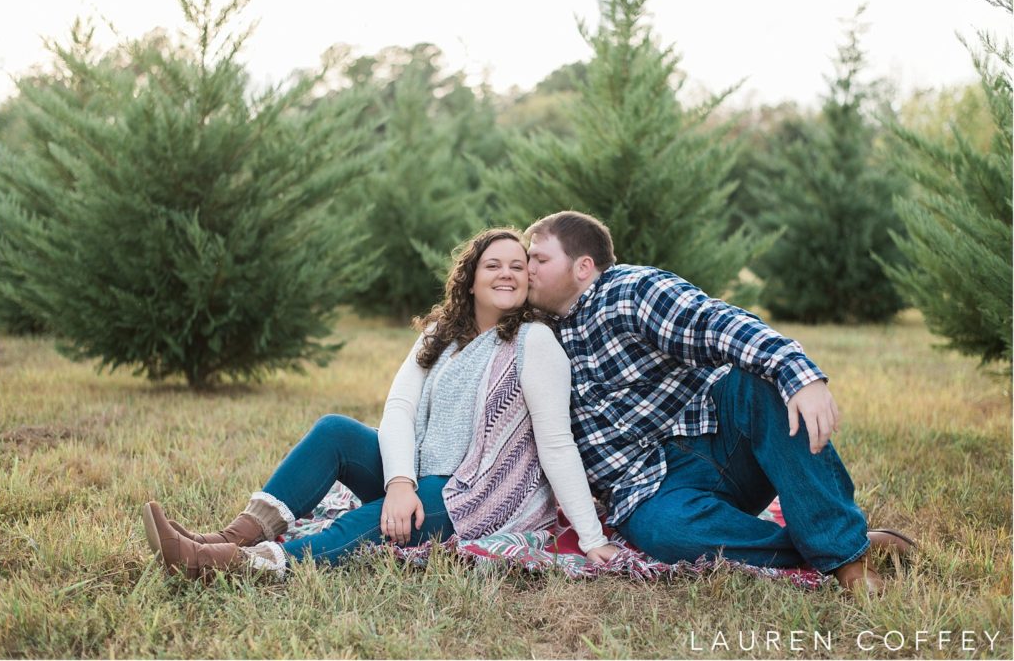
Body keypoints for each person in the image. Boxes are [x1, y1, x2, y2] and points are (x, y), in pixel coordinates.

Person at [142, 228, 619, 579]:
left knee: (361, 523)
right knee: (335, 432)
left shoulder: (534, 342)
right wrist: (398, 483)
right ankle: (229, 538)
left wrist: (592, 540)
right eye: (494, 265)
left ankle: (219, 564)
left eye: (519, 266)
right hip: (420, 476)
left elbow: (557, 444)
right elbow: (399, 412)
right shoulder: (441, 336)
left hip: (478, 496)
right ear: (471, 279)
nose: (508, 273)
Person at [522, 210, 916, 594]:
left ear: (583, 267)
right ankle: (832, 543)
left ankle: (847, 558)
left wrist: (800, 375)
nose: (529, 269)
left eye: (539, 259)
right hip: (651, 490)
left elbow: (711, 322)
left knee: (756, 381)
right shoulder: (537, 335)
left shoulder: (629, 290)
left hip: (718, 434)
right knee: (666, 534)